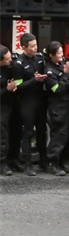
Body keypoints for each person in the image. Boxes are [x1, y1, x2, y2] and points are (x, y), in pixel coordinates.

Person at [11, 33, 47, 176]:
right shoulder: (18, 64)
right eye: (32, 46)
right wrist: (34, 80)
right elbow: (18, 86)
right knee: (28, 132)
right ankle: (27, 164)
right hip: (27, 101)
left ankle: (44, 162)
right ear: (23, 47)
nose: (35, 48)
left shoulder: (39, 58)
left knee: (42, 131)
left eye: (36, 45)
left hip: (40, 99)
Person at [44, 41, 69, 176]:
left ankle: (59, 161)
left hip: (66, 106)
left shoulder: (60, 65)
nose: (62, 55)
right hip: (57, 108)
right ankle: (52, 163)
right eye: (59, 53)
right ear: (51, 55)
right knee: (58, 136)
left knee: (64, 135)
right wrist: (66, 74)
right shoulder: (49, 71)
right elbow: (58, 90)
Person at [0, 45, 17, 176]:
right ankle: (2, 163)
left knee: (15, 133)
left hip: (12, 104)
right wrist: (7, 89)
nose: (10, 60)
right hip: (1, 107)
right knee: (2, 136)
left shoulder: (11, 65)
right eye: (7, 59)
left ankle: (13, 159)